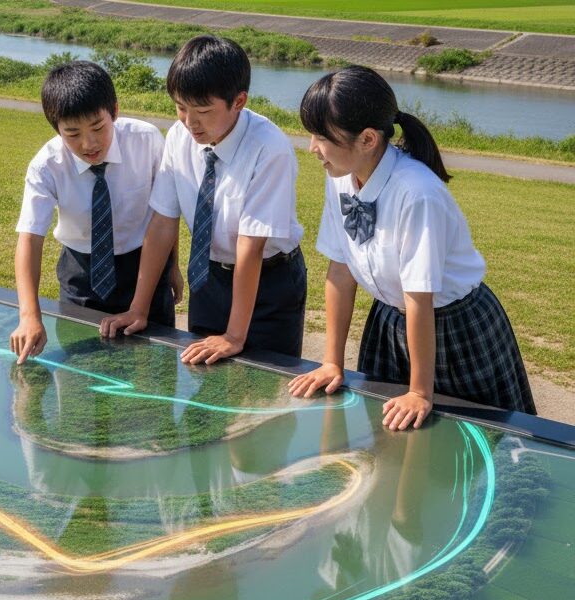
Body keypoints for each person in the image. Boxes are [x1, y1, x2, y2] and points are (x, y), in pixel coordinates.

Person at [288, 65, 536, 429]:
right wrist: (331, 362)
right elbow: (340, 271)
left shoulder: (417, 193)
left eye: (322, 137)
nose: (312, 148)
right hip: (390, 321)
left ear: (368, 139)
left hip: (456, 328)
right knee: (387, 443)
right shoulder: (340, 177)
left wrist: (421, 391)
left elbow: (419, 295)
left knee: (485, 453)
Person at [100, 35, 306, 364]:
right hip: (208, 278)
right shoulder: (180, 137)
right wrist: (138, 308)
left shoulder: (270, 149)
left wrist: (234, 335)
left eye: (203, 111)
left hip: (269, 283)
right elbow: (163, 222)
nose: (190, 122)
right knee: (205, 382)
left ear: (238, 101)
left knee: (266, 392)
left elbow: (250, 247)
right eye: (181, 107)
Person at [10, 61, 182, 364]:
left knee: (155, 373)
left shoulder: (147, 141)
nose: (88, 144)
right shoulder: (46, 165)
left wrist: (172, 267)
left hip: (144, 269)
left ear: (114, 111)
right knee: (82, 373)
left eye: (98, 128)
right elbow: (30, 238)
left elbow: (165, 213)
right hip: (82, 277)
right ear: (56, 127)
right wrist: (29, 316)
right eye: (72, 133)